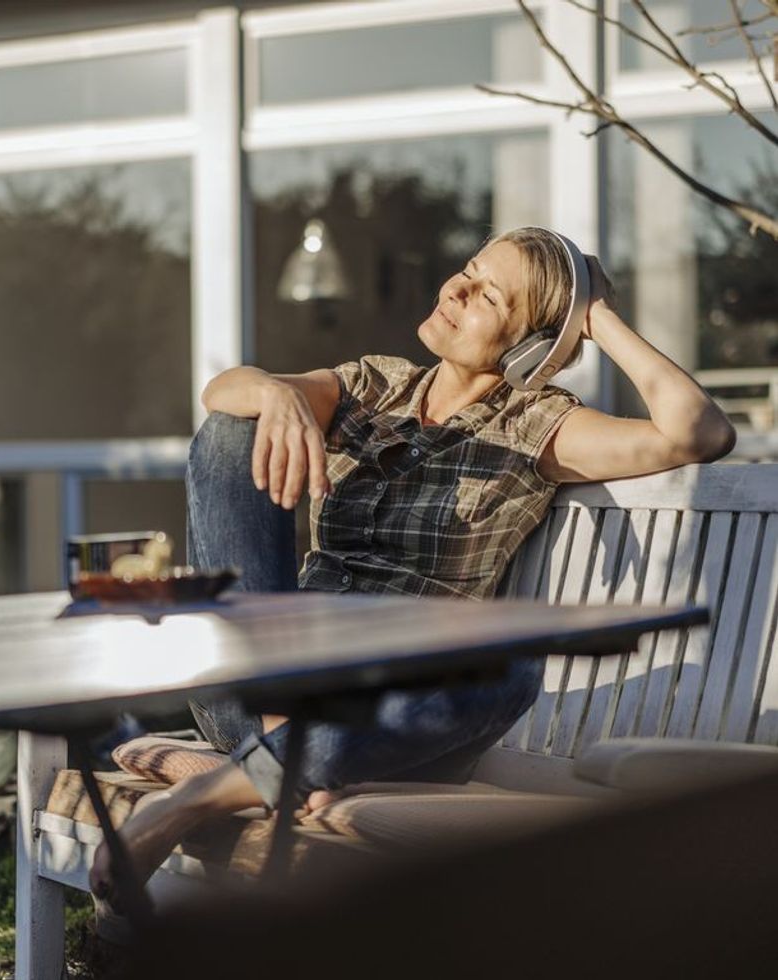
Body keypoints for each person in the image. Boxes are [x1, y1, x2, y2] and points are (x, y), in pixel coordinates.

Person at [90, 226, 735, 900]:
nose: (456, 289)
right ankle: (280, 754)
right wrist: (275, 393)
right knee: (233, 429)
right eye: (468, 270)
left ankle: (205, 795)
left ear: (532, 348)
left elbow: (700, 432)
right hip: (263, 686)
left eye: (488, 294)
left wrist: (595, 316)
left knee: (511, 674)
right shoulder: (377, 386)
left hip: (386, 717)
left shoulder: (538, 428)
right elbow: (223, 394)